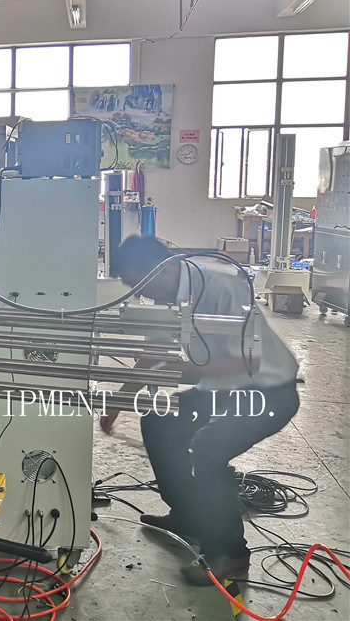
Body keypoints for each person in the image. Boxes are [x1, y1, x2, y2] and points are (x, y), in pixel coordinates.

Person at [109, 235, 300, 585]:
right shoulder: (167, 299)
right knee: (159, 420)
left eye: (139, 283)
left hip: (269, 392)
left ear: (160, 269)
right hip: (222, 390)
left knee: (209, 448)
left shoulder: (222, 287)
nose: (141, 294)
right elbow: (152, 356)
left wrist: (180, 371)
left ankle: (230, 554)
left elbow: (247, 362)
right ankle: (189, 515)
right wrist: (116, 405)